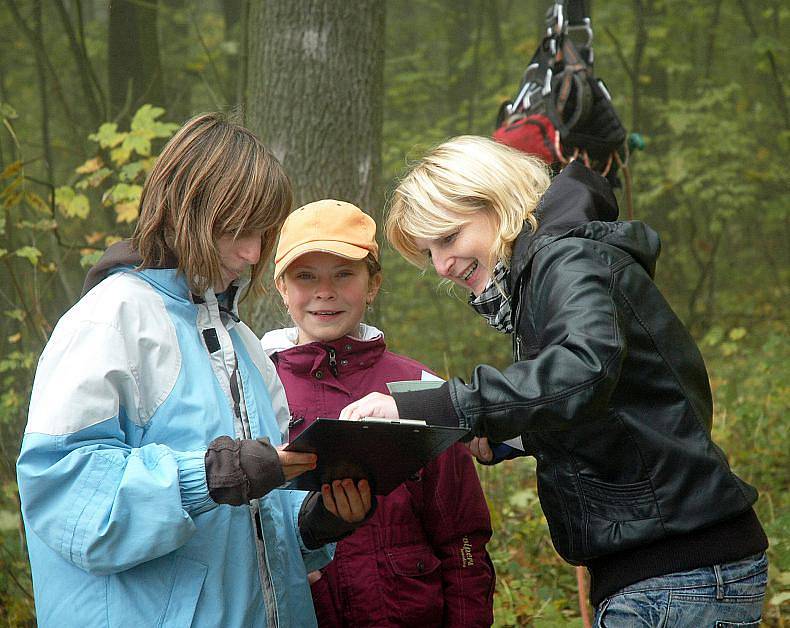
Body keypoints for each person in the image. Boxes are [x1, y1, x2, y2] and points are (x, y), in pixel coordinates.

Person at [341, 136, 769, 626]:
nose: (441, 266)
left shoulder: (565, 260)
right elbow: (620, 404)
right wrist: (508, 436)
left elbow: (585, 369)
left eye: (449, 238)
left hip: (676, 574)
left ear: (497, 204)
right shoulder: (549, 269)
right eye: (429, 252)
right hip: (669, 570)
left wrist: (441, 404)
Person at [16, 113, 373, 627]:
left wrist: (316, 523)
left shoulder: (245, 346)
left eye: (261, 234)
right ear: (187, 210)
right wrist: (208, 477)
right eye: (237, 231)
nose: (252, 254)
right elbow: (65, 496)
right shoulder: (111, 319)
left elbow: (252, 529)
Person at [261, 199, 496, 627]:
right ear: (281, 287)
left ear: (373, 284)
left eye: (344, 274)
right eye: (305, 276)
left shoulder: (421, 389)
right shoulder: (255, 386)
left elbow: (462, 540)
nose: (324, 291)